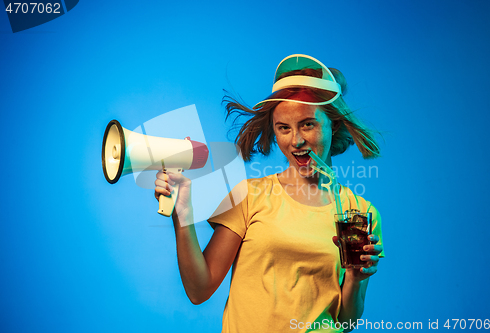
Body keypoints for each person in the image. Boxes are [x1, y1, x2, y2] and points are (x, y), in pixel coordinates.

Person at [154, 54, 384, 333]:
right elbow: (198, 290)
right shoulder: (249, 196)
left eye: (308, 124)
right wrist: (182, 215)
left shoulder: (359, 213)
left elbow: (346, 322)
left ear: (333, 125)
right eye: (283, 128)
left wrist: (355, 280)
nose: (296, 141)